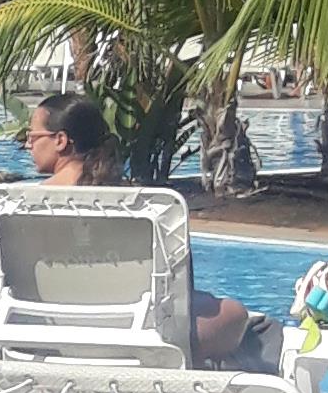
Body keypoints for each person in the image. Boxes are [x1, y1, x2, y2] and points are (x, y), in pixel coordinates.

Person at [20, 92, 259, 364]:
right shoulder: (142, 210)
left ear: (60, 140)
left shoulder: (16, 208)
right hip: (136, 336)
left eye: (32, 137)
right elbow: (179, 286)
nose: (28, 145)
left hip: (48, 335)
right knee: (235, 314)